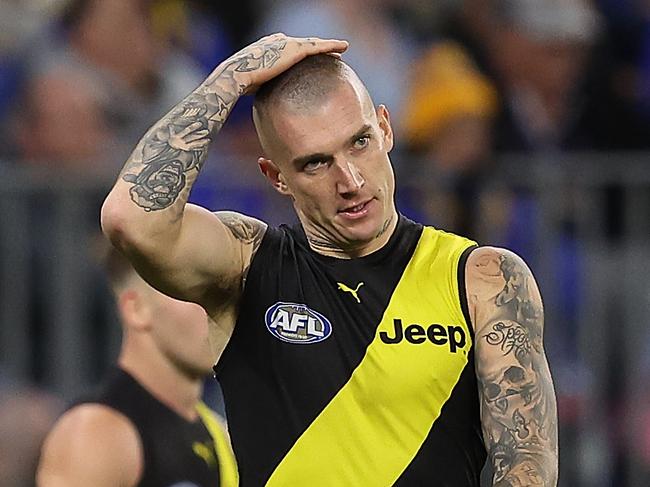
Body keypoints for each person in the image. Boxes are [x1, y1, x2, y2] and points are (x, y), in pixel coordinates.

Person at [101, 33, 559, 486]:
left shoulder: (483, 279)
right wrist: (232, 78)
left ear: (385, 128)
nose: (351, 180)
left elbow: (525, 469)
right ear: (276, 177)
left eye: (359, 142)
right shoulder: (248, 266)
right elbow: (131, 219)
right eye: (315, 163)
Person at [36, 243, 238, 487]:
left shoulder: (223, 435)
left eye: (220, 296)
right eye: (194, 295)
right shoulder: (94, 436)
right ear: (137, 309)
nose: (217, 313)